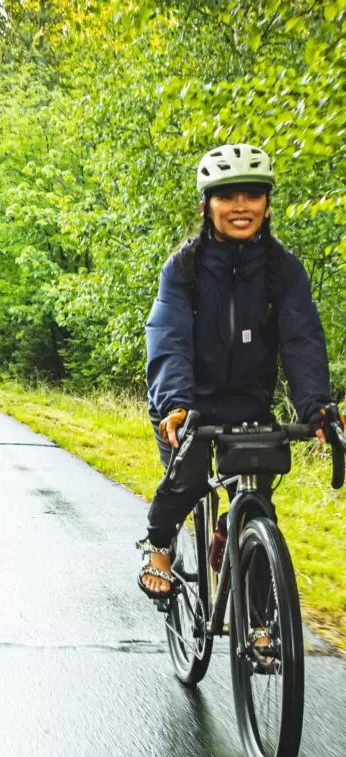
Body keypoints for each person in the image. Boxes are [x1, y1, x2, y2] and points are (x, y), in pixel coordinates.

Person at [140, 142, 343, 598]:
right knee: (188, 477)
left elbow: (302, 339)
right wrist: (174, 403)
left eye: (251, 196)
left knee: (257, 510)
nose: (239, 207)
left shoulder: (284, 269)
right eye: (226, 196)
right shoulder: (182, 269)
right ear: (206, 205)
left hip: (248, 403)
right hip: (185, 403)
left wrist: (316, 405)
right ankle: (158, 543)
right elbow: (168, 336)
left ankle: (261, 625)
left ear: (267, 204)